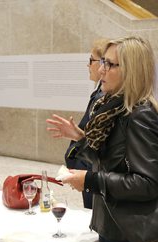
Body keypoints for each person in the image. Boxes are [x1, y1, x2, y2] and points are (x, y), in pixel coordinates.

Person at [46, 36, 158, 242]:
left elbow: (147, 183)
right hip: (115, 224)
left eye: (110, 64)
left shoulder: (139, 116)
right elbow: (115, 158)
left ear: (132, 71)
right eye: (102, 63)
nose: (101, 70)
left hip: (129, 232)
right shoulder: (114, 109)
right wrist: (81, 137)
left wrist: (90, 181)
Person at [59, 38, 108, 209]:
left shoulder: (109, 102)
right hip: (91, 173)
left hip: (96, 175)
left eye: (91, 60)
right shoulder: (99, 95)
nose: (89, 66)